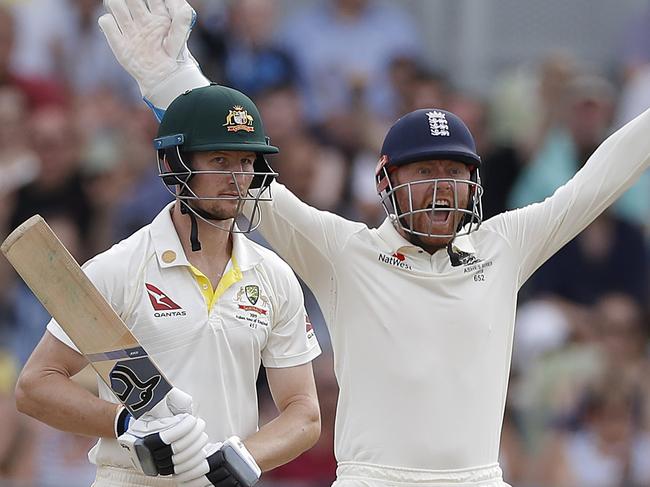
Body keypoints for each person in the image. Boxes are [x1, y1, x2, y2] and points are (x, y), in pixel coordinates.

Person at [99, 1, 650, 486]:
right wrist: (171, 79)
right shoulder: (347, 253)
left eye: (455, 172)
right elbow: (242, 174)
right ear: (384, 183)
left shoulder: (504, 245)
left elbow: (595, 183)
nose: (441, 188)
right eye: (425, 171)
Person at [14, 56, 322, 487]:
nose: (238, 178)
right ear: (174, 165)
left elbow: (304, 413)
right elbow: (35, 387)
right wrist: (125, 425)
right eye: (219, 161)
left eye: (247, 162)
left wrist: (244, 455)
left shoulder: (274, 276)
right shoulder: (118, 268)